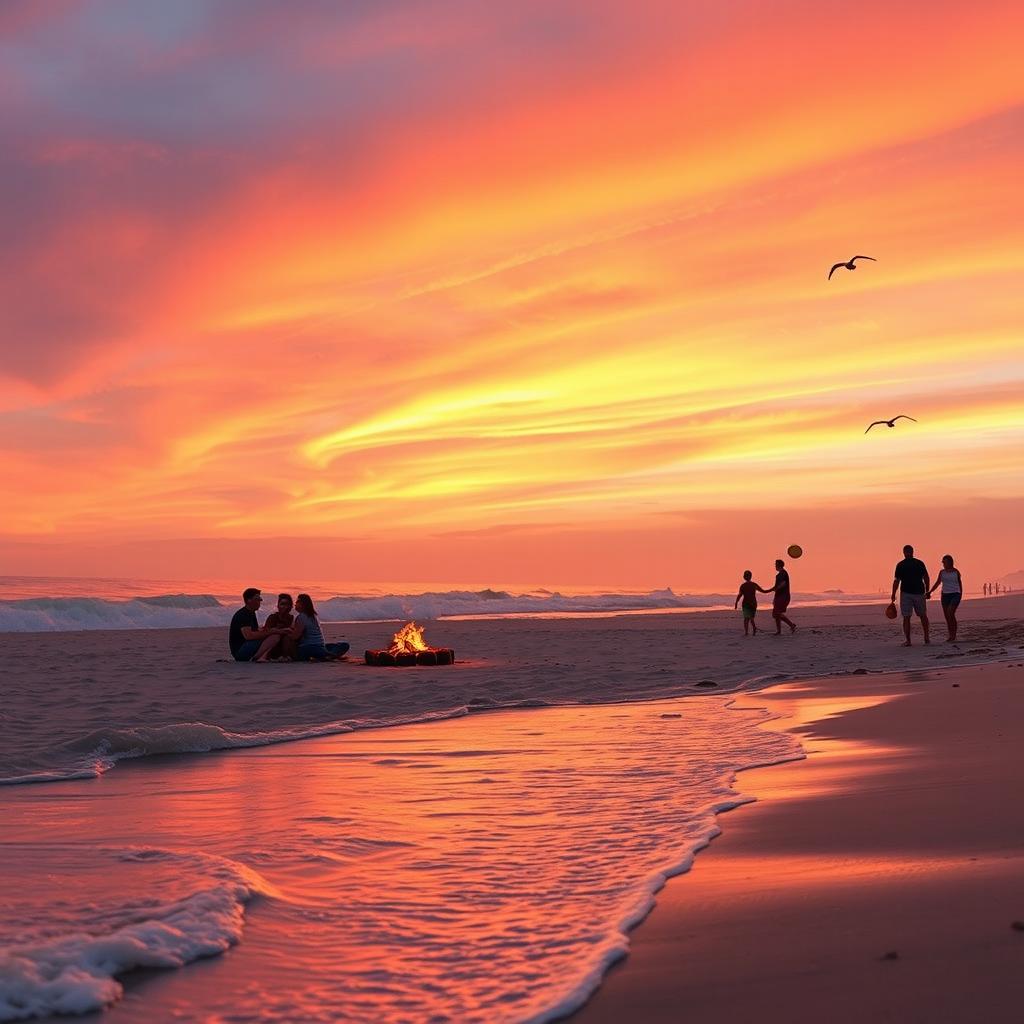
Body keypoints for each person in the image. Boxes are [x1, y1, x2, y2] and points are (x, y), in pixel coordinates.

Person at [228, 588, 286, 662]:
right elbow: (249, 636)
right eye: (257, 599)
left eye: (260, 599)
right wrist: (270, 632)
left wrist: (272, 630)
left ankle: (264, 656)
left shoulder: (251, 613)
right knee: (275, 637)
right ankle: (256, 657)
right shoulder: (244, 614)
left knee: (274, 635)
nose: (260, 601)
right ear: (249, 600)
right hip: (240, 652)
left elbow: (255, 631)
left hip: (244, 648)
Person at [288, 593, 350, 661]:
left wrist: (286, 632)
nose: (295, 604)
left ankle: (326, 655)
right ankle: (328, 655)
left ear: (303, 605)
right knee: (344, 645)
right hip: (319, 646)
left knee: (306, 651)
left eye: (297, 602)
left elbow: (295, 636)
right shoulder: (314, 616)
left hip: (306, 648)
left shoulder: (301, 617)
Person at [890, 544, 930, 646]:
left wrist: (893, 594)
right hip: (919, 592)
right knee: (922, 615)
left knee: (907, 617)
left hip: (907, 593)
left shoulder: (901, 565)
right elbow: (926, 577)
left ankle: (908, 641)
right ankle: (926, 637)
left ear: (904, 552)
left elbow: (896, 581)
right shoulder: (919, 563)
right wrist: (927, 590)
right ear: (912, 552)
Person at [928, 555, 963, 643]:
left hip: (955, 594)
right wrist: (930, 591)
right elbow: (938, 583)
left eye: (945, 562)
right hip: (945, 595)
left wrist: (960, 594)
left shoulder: (956, 572)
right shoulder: (942, 572)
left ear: (950, 562)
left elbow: (960, 584)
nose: (943, 564)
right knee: (947, 617)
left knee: (950, 613)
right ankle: (951, 635)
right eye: (943, 562)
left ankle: (953, 635)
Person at [263, 593, 298, 661]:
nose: (285, 607)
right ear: (278, 606)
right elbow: (266, 631)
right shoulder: (273, 617)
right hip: (273, 646)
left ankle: (286, 656)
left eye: (287, 604)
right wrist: (281, 630)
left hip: (287, 646)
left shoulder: (291, 618)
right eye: (282, 604)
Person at [767, 558, 797, 635]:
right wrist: (774, 591)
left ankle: (782, 629)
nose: (775, 566)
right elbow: (778, 586)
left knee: (777, 613)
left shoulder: (783, 573)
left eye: (776, 564)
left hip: (783, 596)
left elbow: (783, 584)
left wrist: (774, 588)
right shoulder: (779, 574)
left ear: (779, 565)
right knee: (775, 614)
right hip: (779, 596)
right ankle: (790, 625)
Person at [734, 570, 766, 636]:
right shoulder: (754, 585)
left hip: (746, 604)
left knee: (746, 618)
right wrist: (772, 589)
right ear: (751, 576)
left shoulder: (743, 586)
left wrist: (736, 603)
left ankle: (747, 632)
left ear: (744, 577)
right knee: (751, 617)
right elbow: (763, 591)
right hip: (753, 603)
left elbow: (739, 595)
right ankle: (753, 628)